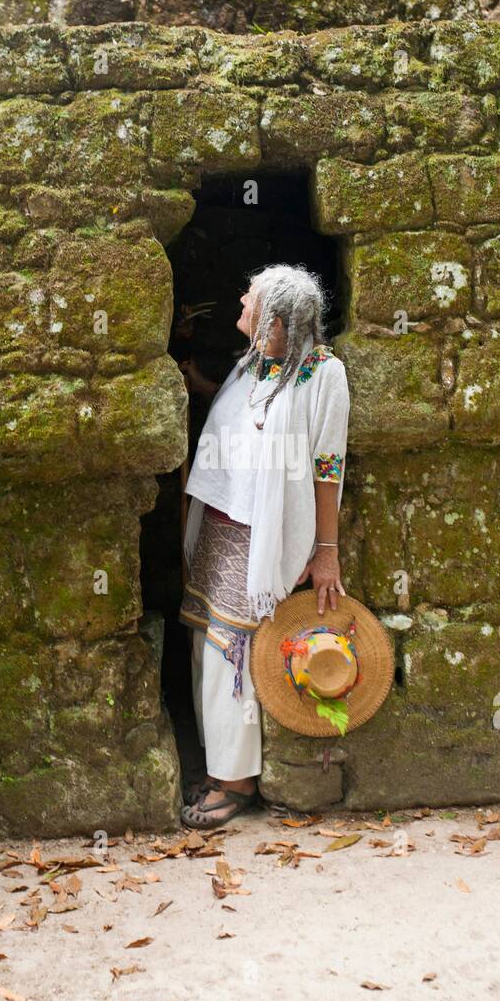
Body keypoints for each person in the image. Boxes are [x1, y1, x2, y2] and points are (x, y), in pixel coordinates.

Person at [178, 263, 350, 827]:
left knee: (232, 651)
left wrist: (325, 549)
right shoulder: (255, 364)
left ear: (274, 321)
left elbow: (328, 468)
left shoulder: (322, 376)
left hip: (261, 535)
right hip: (221, 530)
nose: (240, 304)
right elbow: (244, 423)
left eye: (249, 300)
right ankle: (215, 763)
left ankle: (235, 780)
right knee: (205, 640)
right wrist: (199, 388)